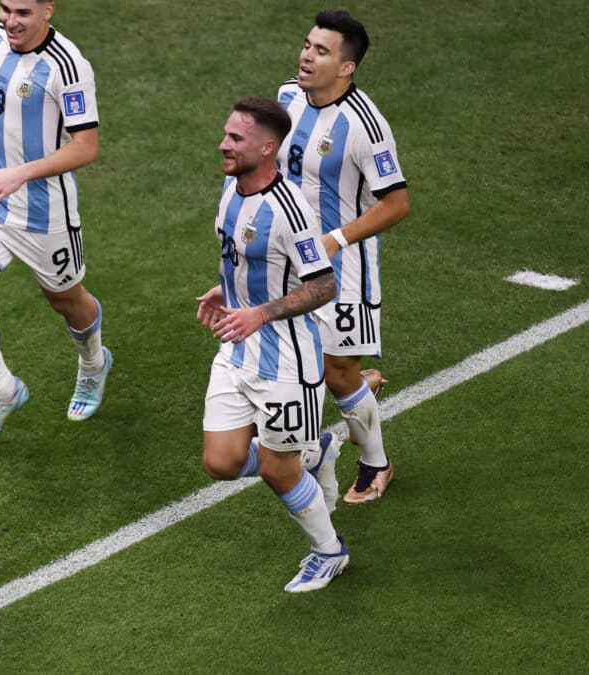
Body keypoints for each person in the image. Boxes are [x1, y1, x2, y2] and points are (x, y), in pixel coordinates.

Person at [0, 0, 112, 448]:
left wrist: (21, 173)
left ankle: (93, 363)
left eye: (24, 12)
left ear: (48, 10)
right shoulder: (0, 37)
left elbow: (86, 147)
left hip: (42, 212)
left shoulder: (69, 66)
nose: (11, 20)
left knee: (67, 302)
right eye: (6, 8)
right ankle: (3, 392)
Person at [197, 98, 346, 592]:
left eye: (236, 139)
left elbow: (324, 285)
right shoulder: (230, 189)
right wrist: (229, 289)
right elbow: (242, 253)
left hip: (285, 362)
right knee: (220, 463)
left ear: (267, 147)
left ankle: (329, 552)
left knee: (278, 473)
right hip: (236, 351)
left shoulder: (291, 211)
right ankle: (313, 454)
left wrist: (259, 311)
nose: (224, 144)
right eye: (225, 134)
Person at [278, 10, 410, 505]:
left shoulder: (365, 126)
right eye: (307, 45)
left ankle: (377, 462)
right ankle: (359, 388)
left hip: (342, 267)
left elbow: (396, 203)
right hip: (286, 257)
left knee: (335, 372)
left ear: (347, 66)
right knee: (288, 363)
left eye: (321, 51)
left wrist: (336, 238)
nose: (307, 56)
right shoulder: (288, 95)